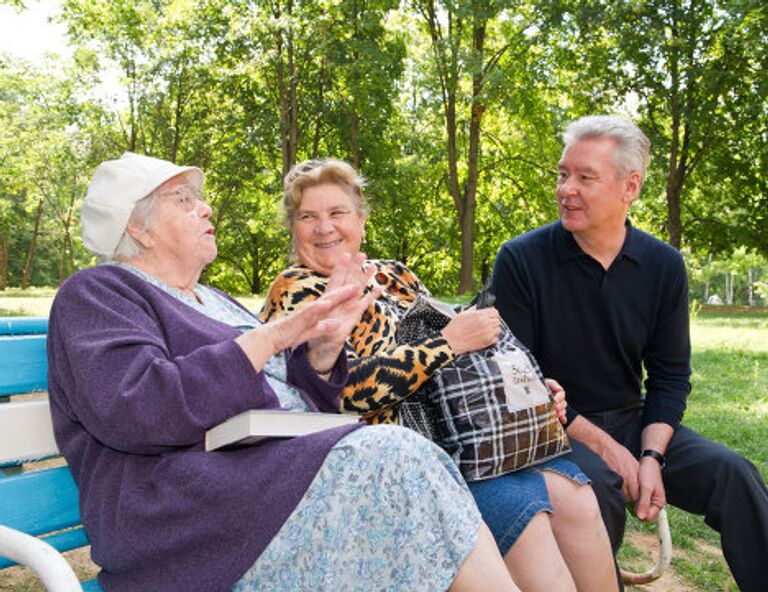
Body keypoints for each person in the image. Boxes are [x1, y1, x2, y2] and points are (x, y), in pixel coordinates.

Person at [47, 152, 522, 592]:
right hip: (181, 515)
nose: (207, 210)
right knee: (395, 459)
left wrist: (323, 348)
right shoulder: (99, 293)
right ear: (139, 226)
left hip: (263, 483)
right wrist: (273, 336)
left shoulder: (214, 300)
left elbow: (298, 402)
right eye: (185, 200)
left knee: (405, 470)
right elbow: (140, 409)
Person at [260, 158, 618, 592]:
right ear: (293, 227)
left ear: (361, 220)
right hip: (397, 465)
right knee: (527, 514)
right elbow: (338, 394)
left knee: (578, 498)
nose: (324, 228)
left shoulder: (395, 276)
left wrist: (528, 395)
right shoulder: (297, 290)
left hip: (468, 441)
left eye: (337, 213)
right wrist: (447, 342)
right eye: (307, 216)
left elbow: (463, 367)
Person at [491, 115, 768, 592]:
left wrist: (650, 455)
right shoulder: (521, 259)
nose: (566, 189)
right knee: (595, 484)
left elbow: (670, 377)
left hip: (634, 419)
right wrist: (611, 451)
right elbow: (519, 379)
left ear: (630, 187)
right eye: (562, 174)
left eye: (585, 177)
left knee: (733, 473)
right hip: (553, 426)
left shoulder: (663, 265)